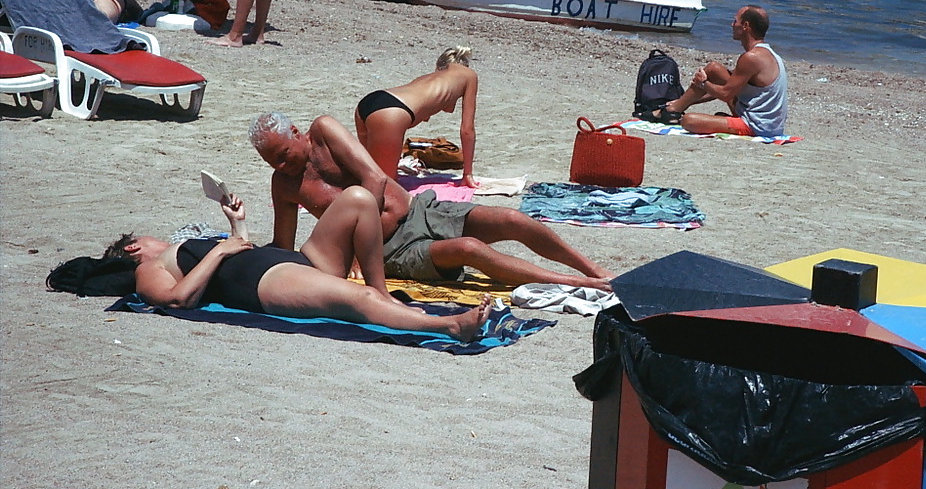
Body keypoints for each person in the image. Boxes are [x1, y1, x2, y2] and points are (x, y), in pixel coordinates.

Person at [248, 112, 614, 291]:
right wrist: (243, 243)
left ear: (296, 132)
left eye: (284, 154)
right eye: (273, 162)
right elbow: (284, 245)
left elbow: (374, 178)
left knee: (511, 219)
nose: (282, 165)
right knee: (469, 248)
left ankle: (594, 270)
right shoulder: (284, 185)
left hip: (419, 210)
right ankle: (573, 282)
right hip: (386, 250)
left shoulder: (324, 132)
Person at [104, 191, 490, 342]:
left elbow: (242, 249)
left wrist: (237, 225)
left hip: (287, 260)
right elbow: (176, 301)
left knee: (358, 199)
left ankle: (388, 298)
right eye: (148, 237)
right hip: (266, 281)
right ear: (136, 246)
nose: (159, 238)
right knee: (358, 298)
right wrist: (219, 252)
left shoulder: (187, 252)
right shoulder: (148, 268)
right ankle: (449, 326)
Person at [649, 4, 788, 136]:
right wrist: (688, 100)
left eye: (735, 21)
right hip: (764, 120)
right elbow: (727, 88)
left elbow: (726, 94)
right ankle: (674, 108)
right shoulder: (767, 53)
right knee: (714, 69)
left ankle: (672, 111)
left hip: (758, 126)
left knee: (688, 120)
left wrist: (703, 83)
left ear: (745, 26)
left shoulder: (751, 58)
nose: (732, 25)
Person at [355, 46, 479, 188]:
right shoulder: (469, 75)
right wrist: (467, 173)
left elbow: (429, 111)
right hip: (392, 114)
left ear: (439, 67)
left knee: (368, 174)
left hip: (369, 103)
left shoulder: (426, 80)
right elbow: (467, 130)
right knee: (386, 188)